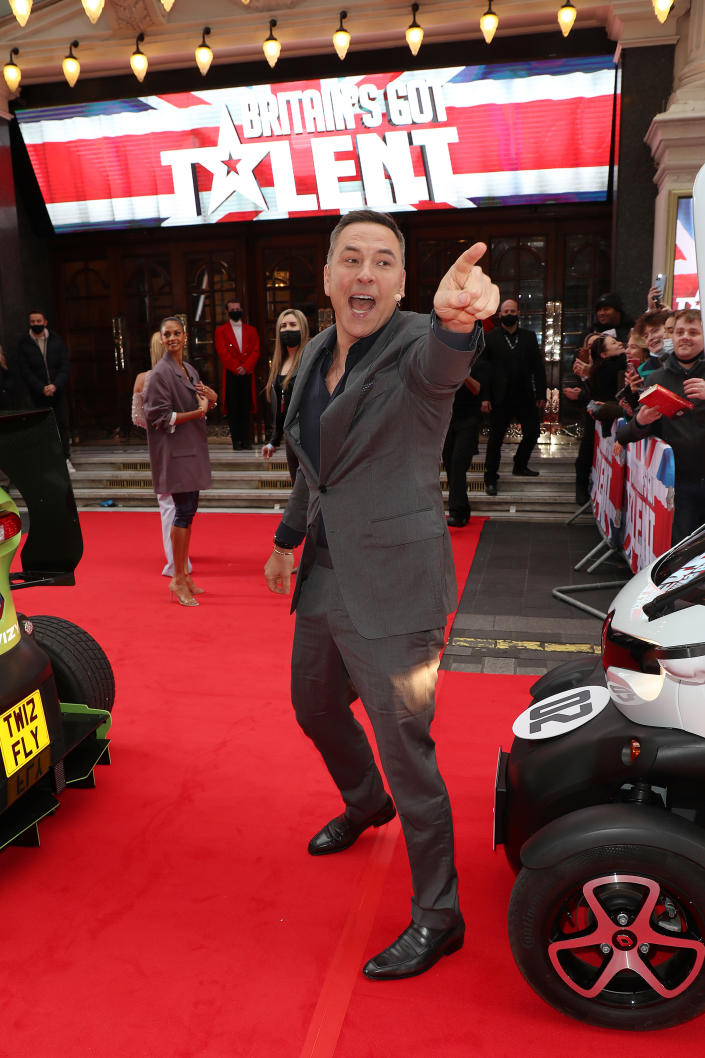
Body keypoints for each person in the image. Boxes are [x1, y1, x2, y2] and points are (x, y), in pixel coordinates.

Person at [264, 208, 498, 981]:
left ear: (402, 280)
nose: (365, 274)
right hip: (327, 573)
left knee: (410, 754)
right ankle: (366, 803)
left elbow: (440, 369)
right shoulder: (315, 351)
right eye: (351, 259)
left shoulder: (413, 346)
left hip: (396, 589)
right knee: (313, 705)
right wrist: (287, 539)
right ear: (327, 273)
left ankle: (440, 913)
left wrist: (458, 324)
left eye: (383, 262)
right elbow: (313, 468)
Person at [144, 317, 217, 606]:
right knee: (183, 512)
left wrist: (212, 399)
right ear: (161, 339)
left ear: (185, 337)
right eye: (167, 334)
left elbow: (201, 404)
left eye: (177, 333)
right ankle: (177, 577)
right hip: (174, 455)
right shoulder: (160, 373)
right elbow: (159, 417)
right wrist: (198, 413)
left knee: (189, 511)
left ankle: (184, 576)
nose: (172, 338)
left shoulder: (188, 369)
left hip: (191, 450)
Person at [616, 309, 705, 545]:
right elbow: (625, 434)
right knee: (680, 553)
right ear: (672, 337)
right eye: (680, 332)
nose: (685, 337)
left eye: (694, 332)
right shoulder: (656, 379)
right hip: (679, 485)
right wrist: (640, 422)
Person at [132, 331, 192, 580]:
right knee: (181, 505)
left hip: (159, 446)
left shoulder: (143, 379)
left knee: (169, 504)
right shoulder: (183, 374)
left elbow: (137, 418)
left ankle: (176, 562)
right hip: (183, 445)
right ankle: (178, 560)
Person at [481, 298, 546, 495]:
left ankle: (520, 464)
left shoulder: (529, 336)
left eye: (512, 311)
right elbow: (484, 370)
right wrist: (484, 397)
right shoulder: (490, 338)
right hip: (499, 397)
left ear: (519, 314)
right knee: (495, 440)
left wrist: (541, 392)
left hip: (524, 396)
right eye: (505, 311)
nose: (509, 314)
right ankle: (490, 478)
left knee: (533, 431)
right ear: (500, 315)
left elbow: (538, 367)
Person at [563, 333, 625, 504]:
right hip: (593, 419)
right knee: (586, 453)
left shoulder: (613, 365)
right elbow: (588, 399)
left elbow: (605, 395)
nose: (593, 349)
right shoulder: (588, 368)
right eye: (590, 346)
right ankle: (582, 489)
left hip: (612, 419)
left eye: (596, 345)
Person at [16, 309, 73, 471]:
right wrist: (41, 387)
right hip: (38, 394)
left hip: (58, 391)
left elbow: (64, 365)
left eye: (38, 321)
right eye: (33, 322)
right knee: (42, 427)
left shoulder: (56, 340)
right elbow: (25, 370)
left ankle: (65, 458)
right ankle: (47, 460)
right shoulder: (24, 343)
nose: (36, 324)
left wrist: (56, 385)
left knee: (62, 424)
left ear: (45, 322)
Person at [261, 309, 310, 484]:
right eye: (283, 326)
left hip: (309, 439)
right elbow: (280, 408)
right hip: (291, 441)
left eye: (292, 325)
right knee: (297, 488)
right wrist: (273, 441)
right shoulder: (278, 364)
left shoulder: (311, 358)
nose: (287, 329)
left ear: (302, 328)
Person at [443, 360, 486, 526]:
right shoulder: (447, 360)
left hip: (469, 419)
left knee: (458, 463)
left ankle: (456, 510)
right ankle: (462, 507)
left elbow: (477, 389)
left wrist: (463, 373)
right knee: (449, 463)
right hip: (448, 418)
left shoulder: (478, 363)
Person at [214, 299, 260, 450]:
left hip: (247, 374)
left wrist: (246, 367)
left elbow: (255, 351)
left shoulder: (251, 330)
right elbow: (222, 352)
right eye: (232, 309)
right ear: (227, 312)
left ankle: (247, 441)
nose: (235, 311)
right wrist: (236, 367)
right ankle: (236, 441)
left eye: (237, 308)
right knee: (234, 408)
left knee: (246, 407)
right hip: (231, 375)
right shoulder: (221, 331)